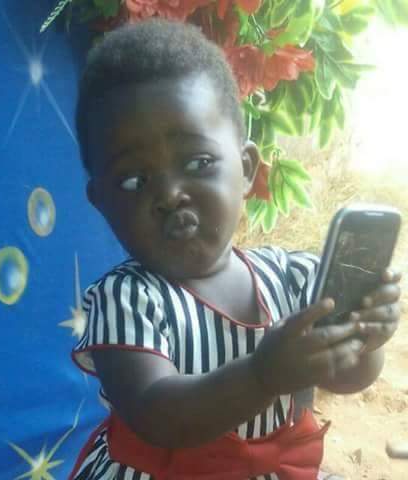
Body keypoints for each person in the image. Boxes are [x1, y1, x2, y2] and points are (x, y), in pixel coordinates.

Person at [68, 19, 402, 480]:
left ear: (246, 169)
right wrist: (263, 375)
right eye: (134, 180)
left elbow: (345, 377)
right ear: (101, 201)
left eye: (198, 162)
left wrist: (365, 340)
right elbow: (157, 415)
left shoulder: (294, 278)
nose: (170, 194)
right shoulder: (126, 299)